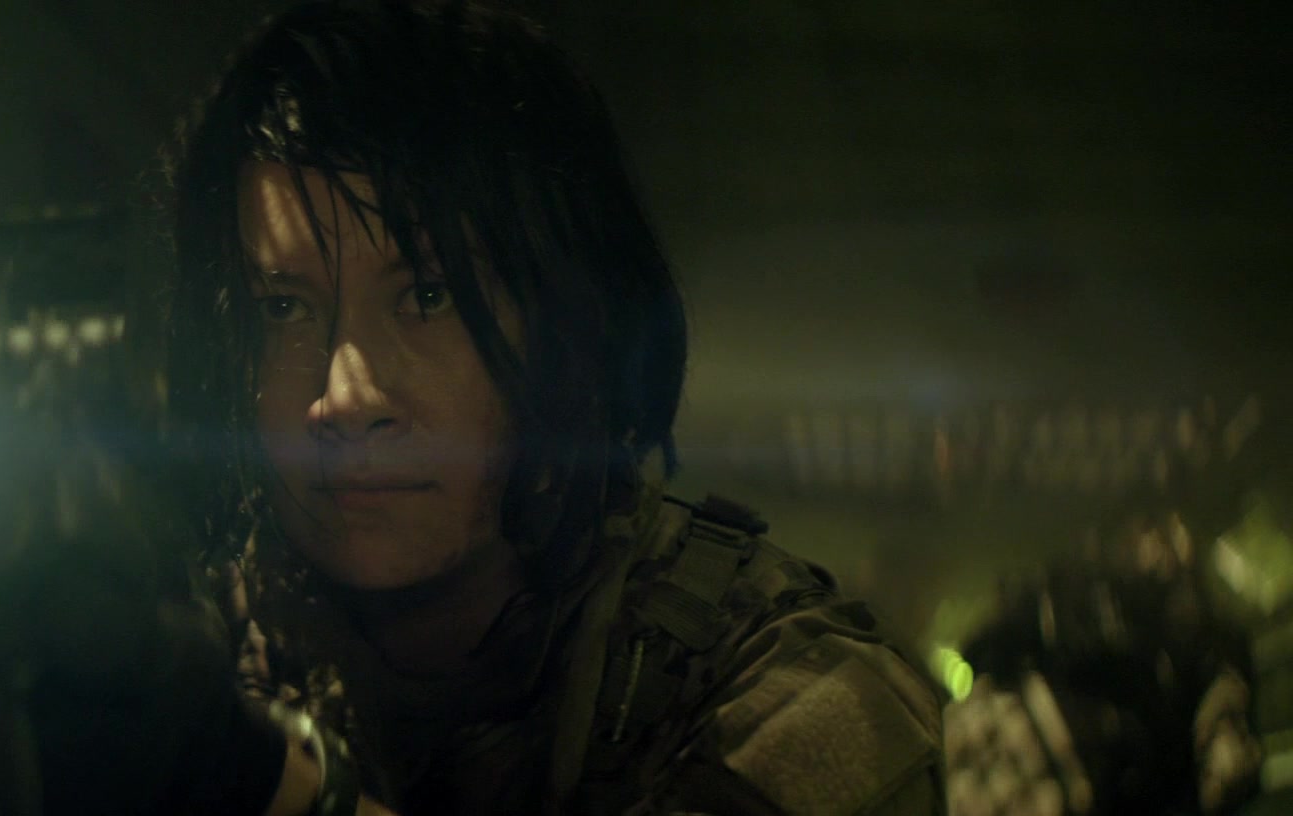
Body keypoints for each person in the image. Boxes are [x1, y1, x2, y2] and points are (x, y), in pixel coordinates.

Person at [150, 2, 946, 813]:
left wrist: (282, 792)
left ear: (568, 332)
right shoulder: (205, 645)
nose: (346, 399)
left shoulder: (801, 695)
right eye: (284, 308)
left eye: (430, 295)